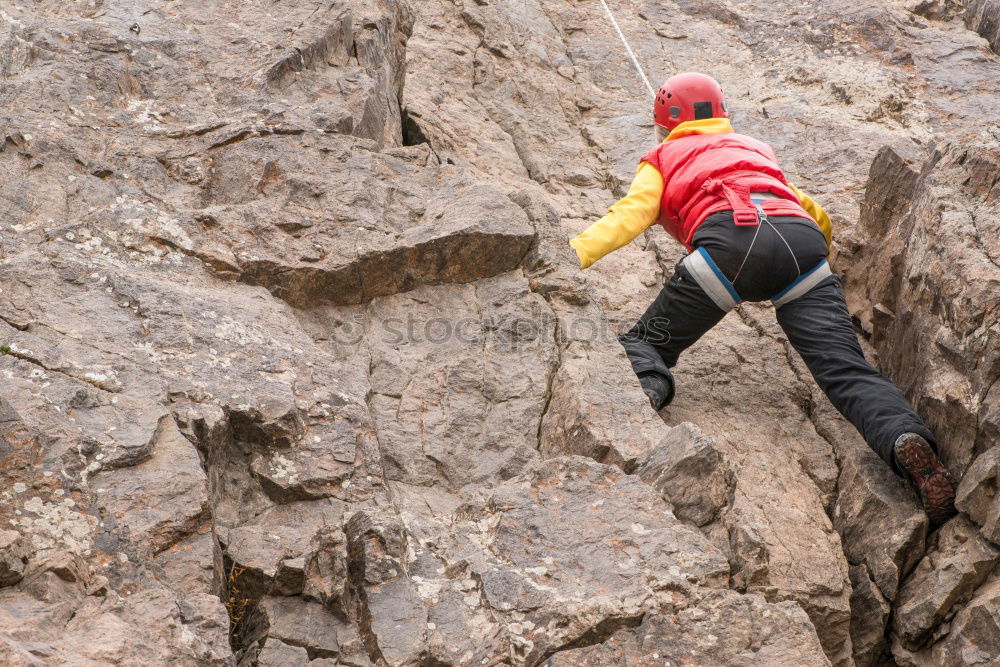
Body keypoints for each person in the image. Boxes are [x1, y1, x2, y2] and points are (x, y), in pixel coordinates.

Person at [569, 72, 956, 524]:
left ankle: (647, 394)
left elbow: (629, 215)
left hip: (730, 246)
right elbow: (811, 209)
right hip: (803, 249)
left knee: (646, 344)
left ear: (662, 123)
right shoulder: (754, 148)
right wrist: (821, 250)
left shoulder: (662, 154)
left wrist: (570, 256)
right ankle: (904, 441)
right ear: (723, 115)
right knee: (847, 372)